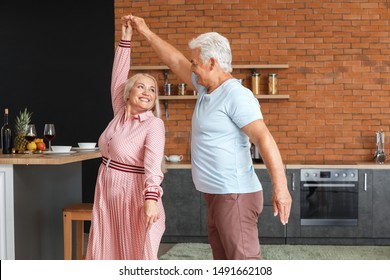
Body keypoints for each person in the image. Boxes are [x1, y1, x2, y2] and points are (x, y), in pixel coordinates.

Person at [130, 15, 292, 260]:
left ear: (212, 63)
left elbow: (264, 138)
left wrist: (281, 189)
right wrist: (145, 31)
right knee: (223, 262)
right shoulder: (207, 89)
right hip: (217, 195)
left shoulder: (236, 95)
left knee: (244, 264)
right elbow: (175, 61)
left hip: (234, 196)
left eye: (195, 63)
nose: (192, 68)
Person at [85, 15, 166, 260]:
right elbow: (119, 76)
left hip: (133, 195)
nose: (147, 92)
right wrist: (126, 38)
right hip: (107, 189)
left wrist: (151, 199)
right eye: (141, 86)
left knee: (133, 255)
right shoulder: (119, 113)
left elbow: (153, 167)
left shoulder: (153, 125)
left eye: (152, 90)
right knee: (107, 252)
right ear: (128, 93)